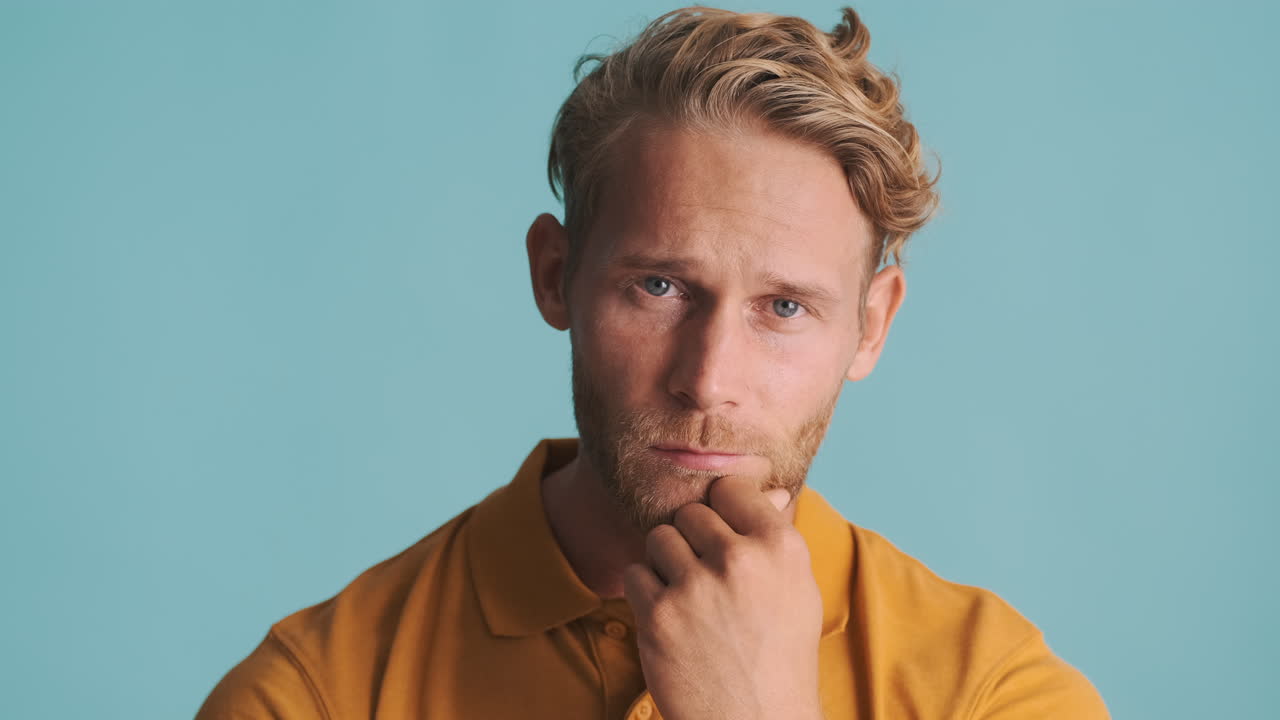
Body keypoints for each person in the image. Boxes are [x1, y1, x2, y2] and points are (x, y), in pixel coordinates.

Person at [195, 6, 1109, 719]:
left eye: (784, 308)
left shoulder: (992, 693)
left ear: (871, 328)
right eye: (660, 289)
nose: (708, 379)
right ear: (557, 278)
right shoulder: (314, 697)